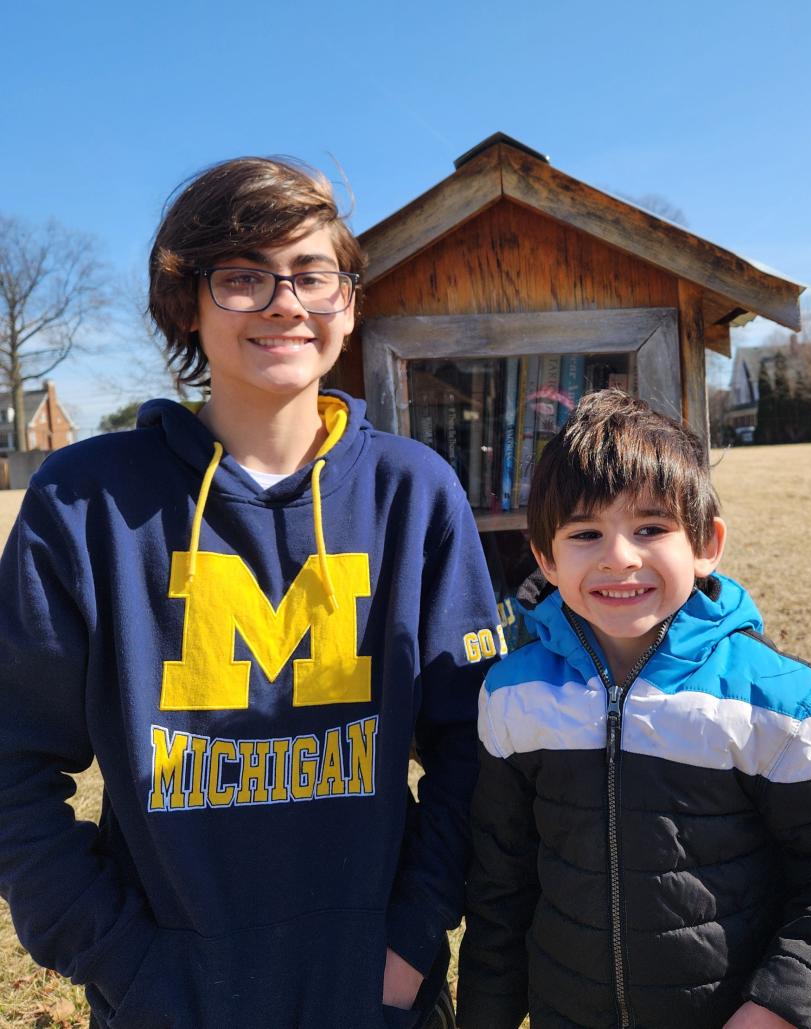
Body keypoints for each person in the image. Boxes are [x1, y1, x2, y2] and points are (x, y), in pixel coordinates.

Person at [0, 157, 504, 1029]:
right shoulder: (83, 501)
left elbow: (476, 751)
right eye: (243, 278)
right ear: (186, 304)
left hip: (376, 996)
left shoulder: (414, 492)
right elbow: (10, 766)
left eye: (312, 275)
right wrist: (127, 964)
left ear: (348, 300)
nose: (284, 303)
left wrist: (411, 940)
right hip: (169, 999)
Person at [456, 389, 811, 1029]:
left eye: (650, 527)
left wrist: (780, 1009)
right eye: (585, 533)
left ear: (706, 544)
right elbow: (500, 890)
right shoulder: (513, 697)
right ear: (545, 558)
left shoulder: (773, 704)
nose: (619, 555)